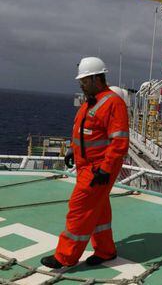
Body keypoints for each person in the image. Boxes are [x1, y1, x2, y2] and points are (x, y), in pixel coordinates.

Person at [41, 57, 129, 268]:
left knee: (79, 208)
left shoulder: (112, 103)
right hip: (86, 165)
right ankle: (106, 251)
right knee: (98, 209)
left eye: (84, 80)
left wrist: (105, 169)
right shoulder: (92, 101)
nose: (80, 83)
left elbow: (119, 141)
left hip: (98, 168)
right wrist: (73, 149)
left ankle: (65, 257)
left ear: (96, 79)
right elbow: (83, 130)